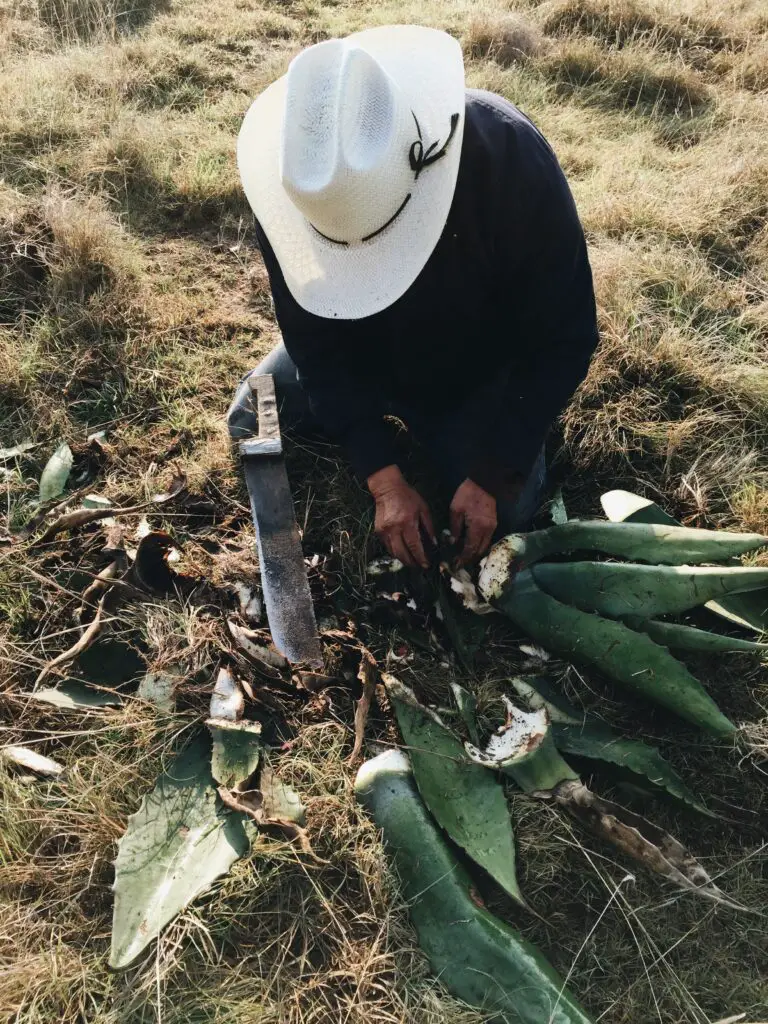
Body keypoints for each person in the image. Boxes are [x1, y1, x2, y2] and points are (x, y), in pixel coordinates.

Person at [228, 25, 598, 569]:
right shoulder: (298, 184)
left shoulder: (510, 159)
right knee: (251, 416)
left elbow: (565, 336)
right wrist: (382, 476)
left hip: (476, 371)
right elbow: (312, 341)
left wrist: (492, 473)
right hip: (365, 355)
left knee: (503, 519)